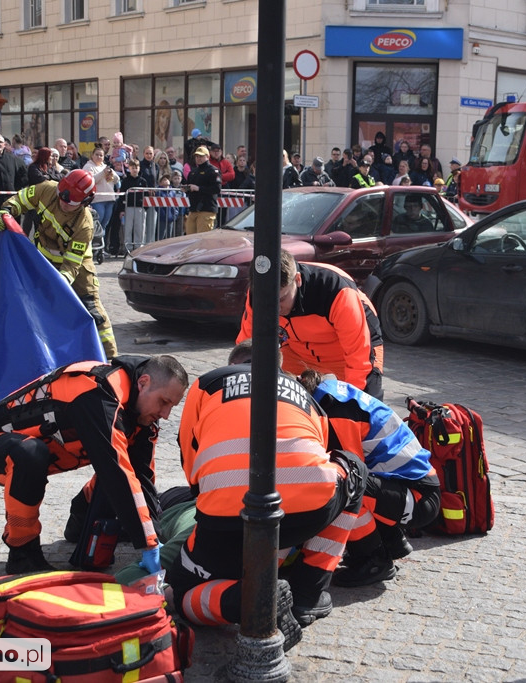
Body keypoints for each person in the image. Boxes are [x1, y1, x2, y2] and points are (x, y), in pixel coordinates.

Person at [169, 341, 366, 647]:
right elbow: (322, 455)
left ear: (233, 363)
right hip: (307, 507)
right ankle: (307, 594)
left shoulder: (208, 383)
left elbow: (189, 456)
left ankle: (247, 600)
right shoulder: (306, 395)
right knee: (353, 469)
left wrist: (209, 498)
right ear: (280, 367)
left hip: (224, 515)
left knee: (182, 592)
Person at [0, 354, 189, 574]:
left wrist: (153, 533)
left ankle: (80, 521)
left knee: (124, 468)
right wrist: (147, 544)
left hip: (49, 453)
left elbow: (142, 477)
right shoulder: (96, 393)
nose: (166, 415)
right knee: (31, 454)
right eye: (164, 402)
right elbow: (115, 471)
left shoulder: (140, 414)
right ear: (143, 383)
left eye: (172, 406)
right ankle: (22, 552)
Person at [297, 370, 440, 587]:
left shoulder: (336, 410)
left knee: (344, 486)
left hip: (418, 498)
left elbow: (351, 470)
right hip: (413, 489)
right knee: (351, 483)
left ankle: (374, 561)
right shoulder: (332, 395)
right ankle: (390, 541)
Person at [0, 169, 118, 358]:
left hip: (77, 269)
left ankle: (110, 357)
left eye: (70, 203)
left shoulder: (84, 224)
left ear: (85, 202)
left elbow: (72, 265)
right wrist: (7, 210)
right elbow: (21, 199)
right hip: (41, 260)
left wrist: (59, 282)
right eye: (61, 197)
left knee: (93, 310)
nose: (63, 203)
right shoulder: (47, 189)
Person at [237, 249, 385, 399]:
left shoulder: (335, 291)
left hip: (346, 351)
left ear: (298, 279)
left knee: (365, 405)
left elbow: (358, 358)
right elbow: (246, 349)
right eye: (267, 302)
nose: (274, 309)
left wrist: (355, 406)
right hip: (296, 349)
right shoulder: (257, 295)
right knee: (263, 392)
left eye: (281, 299)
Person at [182, 145, 221, 234]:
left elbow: (216, 189)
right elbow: (190, 185)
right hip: (194, 209)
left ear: (207, 157)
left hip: (206, 209)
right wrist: (187, 189)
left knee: (203, 239)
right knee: (190, 238)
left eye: (201, 156)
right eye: (197, 156)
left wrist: (199, 188)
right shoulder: (193, 171)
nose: (198, 158)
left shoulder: (213, 171)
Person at [82, 147, 118, 238]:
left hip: (109, 199)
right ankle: (94, 245)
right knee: (97, 223)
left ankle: (102, 247)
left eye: (101, 155)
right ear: (92, 155)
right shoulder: (88, 167)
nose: (99, 157)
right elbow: (90, 181)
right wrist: (102, 173)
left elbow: (117, 180)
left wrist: (112, 173)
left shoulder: (105, 167)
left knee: (104, 225)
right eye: (97, 154)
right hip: (97, 200)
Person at [119, 157, 150, 252]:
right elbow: (122, 196)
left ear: (139, 168)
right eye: (132, 168)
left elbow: (147, 195)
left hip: (140, 208)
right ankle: (127, 247)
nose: (135, 170)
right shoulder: (125, 181)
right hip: (128, 207)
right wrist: (122, 210)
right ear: (129, 168)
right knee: (128, 228)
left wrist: (145, 208)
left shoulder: (143, 181)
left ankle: (138, 247)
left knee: (139, 228)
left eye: (136, 167)